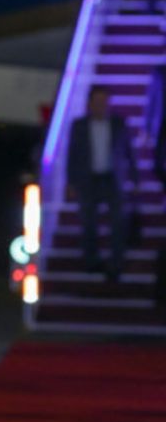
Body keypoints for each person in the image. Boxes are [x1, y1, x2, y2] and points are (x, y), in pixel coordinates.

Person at [66, 85, 134, 282]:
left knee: (118, 223)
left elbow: (129, 152)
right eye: (97, 101)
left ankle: (115, 265)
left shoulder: (118, 124)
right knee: (88, 223)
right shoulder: (79, 125)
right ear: (89, 104)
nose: (101, 105)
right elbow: (73, 155)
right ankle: (91, 262)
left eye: (104, 101)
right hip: (88, 180)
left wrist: (134, 178)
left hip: (112, 179)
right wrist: (71, 182)